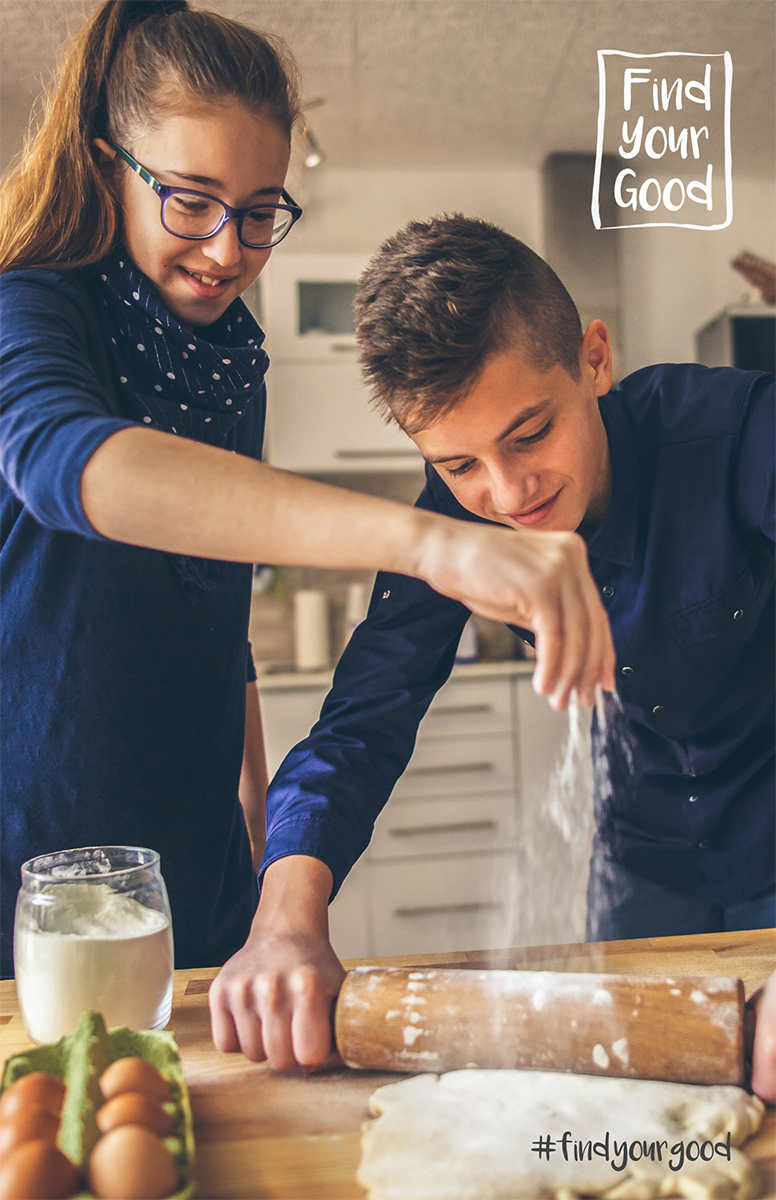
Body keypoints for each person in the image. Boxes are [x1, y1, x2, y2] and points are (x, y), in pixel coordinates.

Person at [0, 6, 616, 980]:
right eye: (190, 200)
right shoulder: (31, 306)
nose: (225, 250)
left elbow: (217, 604)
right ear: (110, 160)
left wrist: (258, 832)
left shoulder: (226, 360)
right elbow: (68, 464)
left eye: (258, 211)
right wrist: (432, 542)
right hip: (39, 859)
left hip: (191, 866)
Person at [209, 215, 776, 1099]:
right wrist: (284, 917)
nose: (507, 495)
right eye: (461, 465)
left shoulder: (737, 433)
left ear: (594, 359)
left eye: (530, 434)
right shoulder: (453, 522)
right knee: (630, 1116)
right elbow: (360, 721)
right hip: (639, 862)